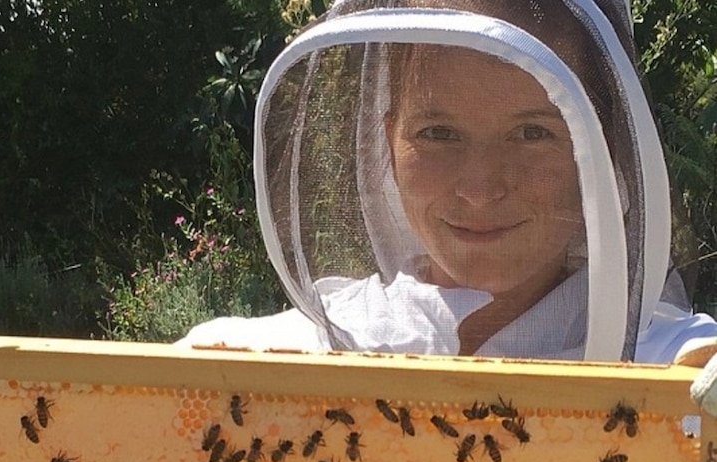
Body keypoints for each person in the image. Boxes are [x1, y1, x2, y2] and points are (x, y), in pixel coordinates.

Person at [177, 0, 717, 365]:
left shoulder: (676, 365)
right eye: (439, 133)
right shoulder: (298, 350)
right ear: (389, 143)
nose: (481, 187)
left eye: (532, 133)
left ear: (600, 152)